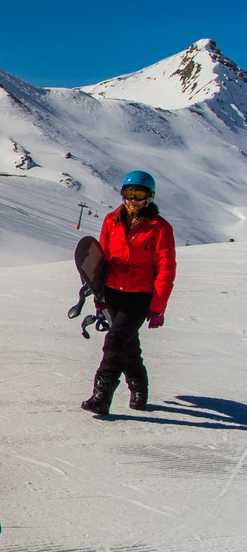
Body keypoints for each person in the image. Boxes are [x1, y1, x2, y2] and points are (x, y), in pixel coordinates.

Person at [81, 170, 176, 415]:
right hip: (113, 292)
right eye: (128, 193)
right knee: (128, 344)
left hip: (139, 295)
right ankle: (139, 388)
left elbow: (166, 269)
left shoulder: (160, 228)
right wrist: (99, 297)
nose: (133, 200)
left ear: (150, 197)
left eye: (139, 194)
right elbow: (101, 260)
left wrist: (157, 306)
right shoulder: (112, 220)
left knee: (115, 341)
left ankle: (102, 395)